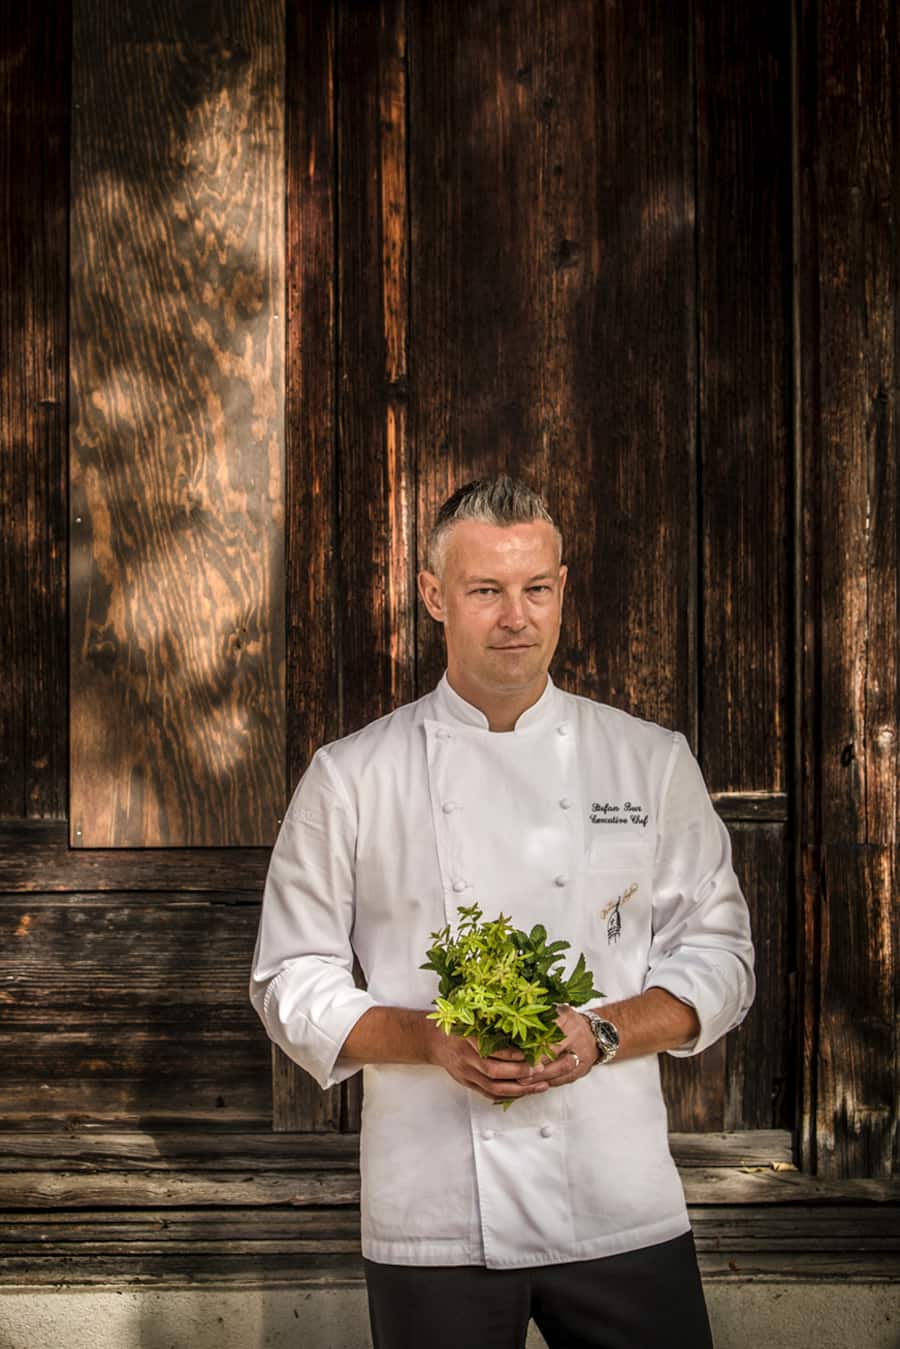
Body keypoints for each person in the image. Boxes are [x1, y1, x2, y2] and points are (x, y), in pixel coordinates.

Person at [250, 476, 755, 1349]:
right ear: (434, 596)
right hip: (434, 1201)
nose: (514, 616)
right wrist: (429, 1038)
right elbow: (289, 978)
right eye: (485, 590)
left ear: (563, 587)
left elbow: (721, 959)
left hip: (617, 1191)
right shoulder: (352, 775)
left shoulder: (649, 761)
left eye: (535, 588)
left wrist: (597, 1033)